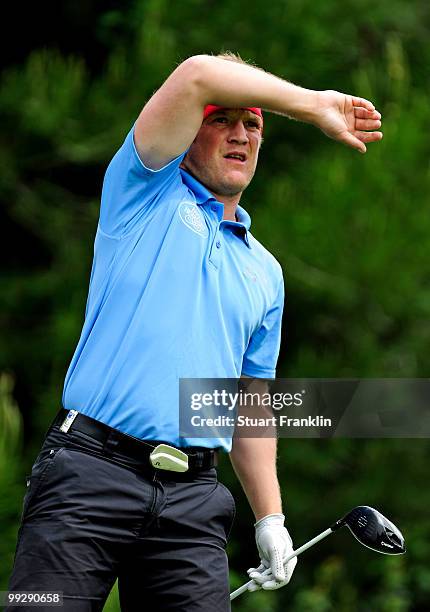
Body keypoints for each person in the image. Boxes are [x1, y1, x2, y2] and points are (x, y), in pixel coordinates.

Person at [7, 52, 382, 611]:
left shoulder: (266, 273)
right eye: (220, 119)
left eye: (252, 123)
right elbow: (197, 74)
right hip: (88, 474)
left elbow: (249, 405)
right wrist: (311, 106)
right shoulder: (142, 189)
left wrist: (271, 518)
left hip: (192, 503)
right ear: (188, 130)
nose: (240, 134)